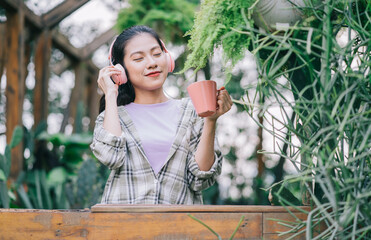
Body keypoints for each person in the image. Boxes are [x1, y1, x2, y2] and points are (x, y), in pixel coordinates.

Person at [90, 25, 232, 204]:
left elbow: (200, 179)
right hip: (121, 228)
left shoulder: (192, 112)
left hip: (179, 228)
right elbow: (110, 157)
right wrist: (111, 93)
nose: (152, 63)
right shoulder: (112, 117)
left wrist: (210, 121)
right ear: (120, 71)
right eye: (138, 58)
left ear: (168, 58)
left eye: (157, 54)